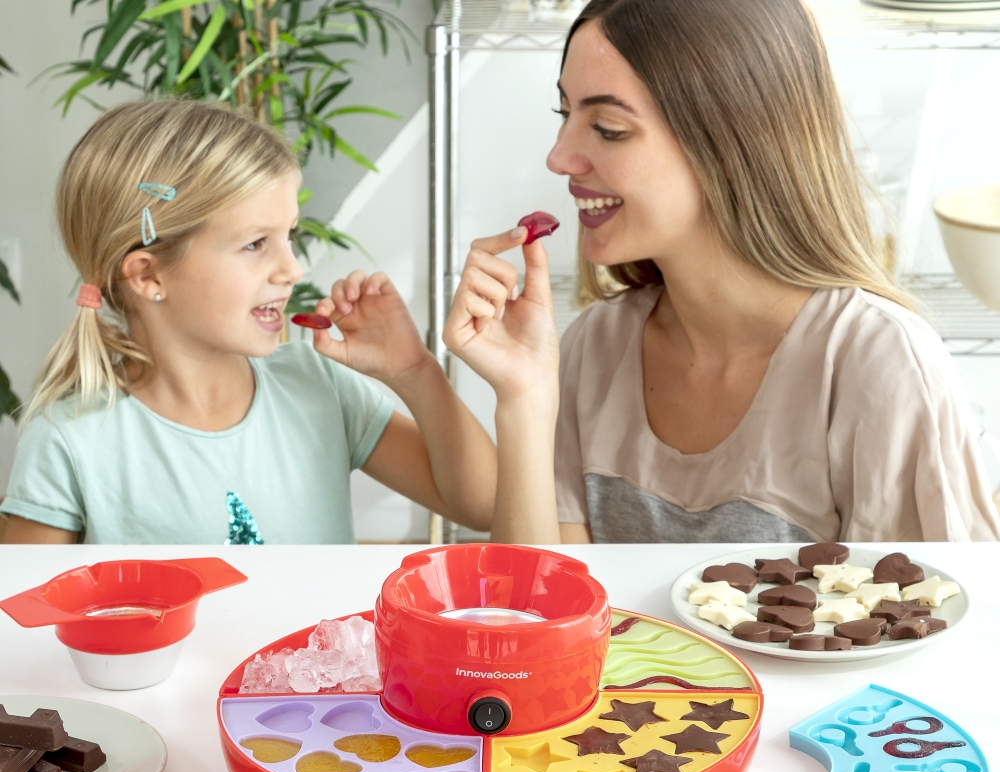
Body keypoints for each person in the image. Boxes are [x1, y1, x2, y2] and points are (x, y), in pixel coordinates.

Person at [442, 0, 1000, 543]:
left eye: (608, 127)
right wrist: (523, 396)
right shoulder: (597, 347)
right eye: (566, 114)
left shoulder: (878, 363)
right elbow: (541, 614)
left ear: (731, 140)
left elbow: (938, 621)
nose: (559, 157)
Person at [1, 100, 496, 544]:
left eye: (290, 236)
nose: (293, 269)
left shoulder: (316, 384)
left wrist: (413, 370)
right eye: (255, 244)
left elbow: (483, 506)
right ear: (149, 275)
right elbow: (24, 626)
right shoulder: (69, 439)